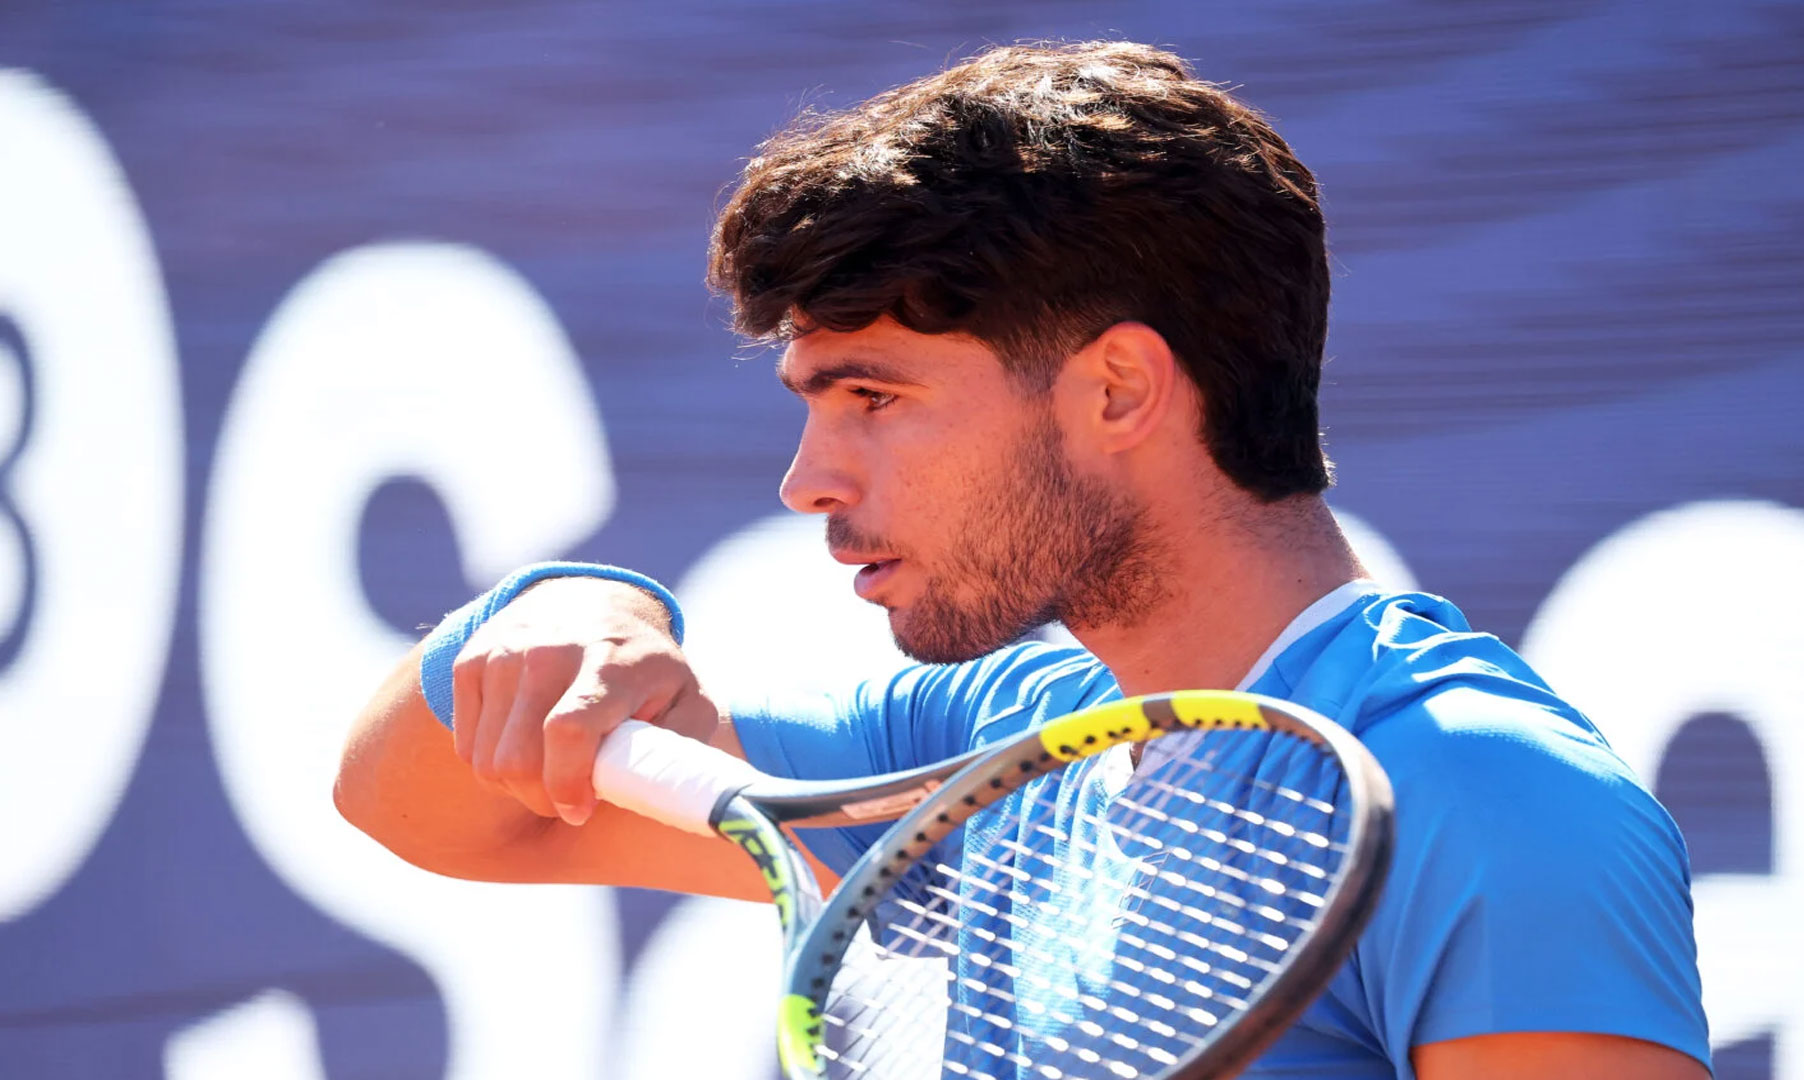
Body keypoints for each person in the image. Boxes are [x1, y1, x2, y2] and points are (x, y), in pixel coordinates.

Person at [335, 41, 1711, 1079]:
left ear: (1117, 391)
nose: (808, 481)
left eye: (874, 398)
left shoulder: (1487, 794)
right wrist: (574, 610)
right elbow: (427, 805)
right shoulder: (972, 742)